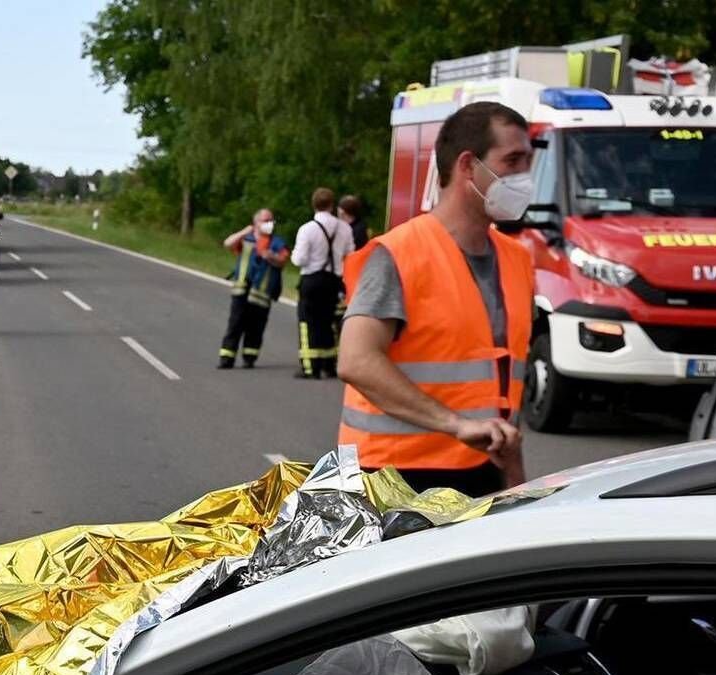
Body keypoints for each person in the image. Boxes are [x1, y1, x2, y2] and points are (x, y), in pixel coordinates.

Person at [338, 101, 535, 496]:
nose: (524, 176)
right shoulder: (398, 254)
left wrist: (514, 478)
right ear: (467, 165)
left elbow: (498, 382)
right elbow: (356, 360)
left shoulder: (516, 260)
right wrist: (455, 424)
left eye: (527, 162)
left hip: (481, 471)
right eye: (512, 160)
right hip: (391, 478)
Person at [292, 187, 354, 380]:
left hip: (312, 279)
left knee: (307, 321)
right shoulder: (344, 228)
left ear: (314, 205)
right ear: (332, 205)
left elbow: (299, 259)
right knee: (329, 322)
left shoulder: (307, 229)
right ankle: (329, 364)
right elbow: (350, 254)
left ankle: (311, 367)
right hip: (334, 281)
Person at [217, 208, 289, 369]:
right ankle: (227, 357)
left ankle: (250, 357)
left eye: (271, 220)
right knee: (235, 323)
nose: (269, 224)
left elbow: (283, 261)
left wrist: (271, 256)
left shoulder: (277, 243)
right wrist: (244, 231)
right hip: (242, 288)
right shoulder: (246, 239)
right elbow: (227, 243)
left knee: (256, 326)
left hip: (262, 292)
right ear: (256, 222)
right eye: (265, 220)